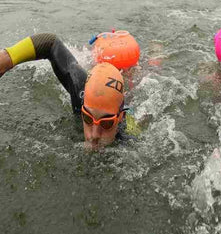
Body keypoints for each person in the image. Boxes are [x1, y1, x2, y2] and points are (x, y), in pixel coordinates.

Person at [0, 33, 137, 149]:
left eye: (106, 123)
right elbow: (50, 43)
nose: (94, 135)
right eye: (87, 118)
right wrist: (8, 58)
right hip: (95, 82)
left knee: (135, 80)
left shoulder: (129, 130)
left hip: (127, 91)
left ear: (119, 118)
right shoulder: (80, 90)